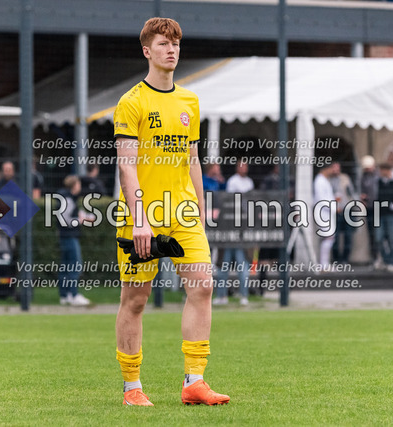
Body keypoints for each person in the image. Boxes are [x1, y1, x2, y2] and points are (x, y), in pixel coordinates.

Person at [112, 18, 229, 407]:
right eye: (163, 43)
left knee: (203, 285)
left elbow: (192, 158)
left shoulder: (189, 102)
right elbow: (126, 164)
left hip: (184, 213)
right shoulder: (131, 102)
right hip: (143, 215)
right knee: (136, 298)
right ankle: (132, 388)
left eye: (176, 43)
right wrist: (140, 219)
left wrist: (200, 207)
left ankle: (194, 381)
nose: (172, 50)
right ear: (147, 51)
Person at [213, 160, 254, 306]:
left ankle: (244, 295)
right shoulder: (232, 182)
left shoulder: (249, 182)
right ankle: (221, 296)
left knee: (242, 265)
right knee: (223, 266)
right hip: (228, 234)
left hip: (241, 235)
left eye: (246, 166)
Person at [56, 175, 91, 306]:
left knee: (65, 266)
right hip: (69, 236)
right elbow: (66, 220)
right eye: (78, 184)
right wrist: (80, 220)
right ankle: (73, 294)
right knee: (75, 265)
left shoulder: (65, 198)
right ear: (74, 186)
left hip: (64, 236)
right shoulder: (68, 199)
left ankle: (65, 295)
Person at [375, 163, 393, 272]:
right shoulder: (378, 181)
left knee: (391, 239)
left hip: (391, 214)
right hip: (379, 213)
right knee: (378, 238)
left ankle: (392, 262)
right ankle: (385, 260)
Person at [329, 162, 356, 264]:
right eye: (333, 168)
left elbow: (351, 192)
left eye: (337, 168)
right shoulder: (328, 180)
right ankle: (336, 258)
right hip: (335, 211)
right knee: (335, 236)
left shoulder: (345, 178)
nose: (335, 170)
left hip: (347, 210)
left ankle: (345, 258)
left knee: (348, 235)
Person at [314, 163, 336, 269]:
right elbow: (321, 199)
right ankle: (324, 264)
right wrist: (334, 207)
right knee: (328, 237)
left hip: (327, 213)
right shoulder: (319, 181)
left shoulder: (324, 180)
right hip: (322, 213)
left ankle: (324, 263)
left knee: (329, 238)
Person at [359, 155, 378, 265]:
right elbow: (362, 191)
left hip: (379, 208)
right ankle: (374, 257)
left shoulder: (377, 177)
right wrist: (363, 198)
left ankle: (381, 257)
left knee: (379, 234)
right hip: (369, 209)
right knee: (371, 234)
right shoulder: (363, 178)